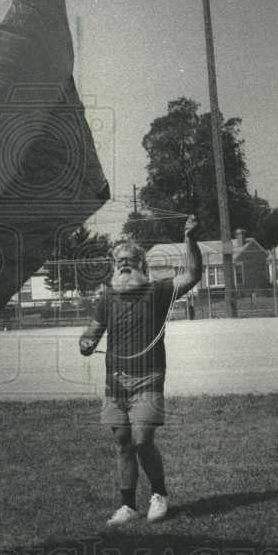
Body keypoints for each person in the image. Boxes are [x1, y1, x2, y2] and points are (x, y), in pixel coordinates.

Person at [79, 215, 202, 525]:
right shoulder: (107, 298)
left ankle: (159, 495)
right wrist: (86, 341)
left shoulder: (158, 292)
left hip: (148, 377)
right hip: (114, 383)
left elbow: (193, 274)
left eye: (131, 260)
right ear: (113, 266)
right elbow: (92, 331)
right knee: (122, 440)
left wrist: (189, 239)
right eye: (119, 260)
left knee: (142, 440)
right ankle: (128, 505)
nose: (124, 264)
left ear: (142, 265)